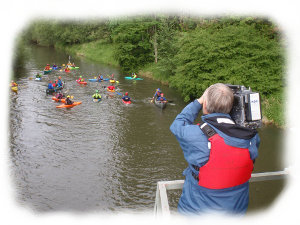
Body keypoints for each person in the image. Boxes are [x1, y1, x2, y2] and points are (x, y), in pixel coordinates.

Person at [170, 83, 260, 216]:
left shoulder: (196, 135)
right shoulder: (252, 137)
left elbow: (178, 124)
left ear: (205, 104)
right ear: (231, 106)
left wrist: (199, 101)